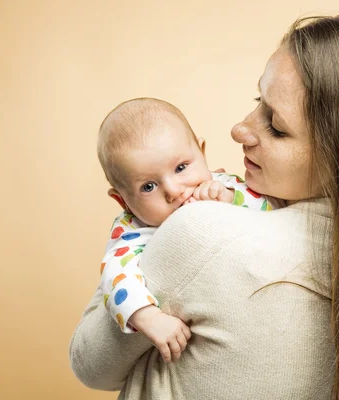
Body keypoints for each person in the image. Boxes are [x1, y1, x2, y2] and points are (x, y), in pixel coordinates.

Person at [70, 13, 339, 400]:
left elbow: (90, 364)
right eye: (259, 100)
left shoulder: (202, 232)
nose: (239, 129)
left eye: (275, 125)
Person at [96, 98, 282, 363]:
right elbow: (115, 275)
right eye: (148, 186)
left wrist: (230, 199)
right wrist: (148, 317)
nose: (173, 191)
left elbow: (271, 211)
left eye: (181, 168)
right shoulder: (134, 229)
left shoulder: (223, 185)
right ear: (122, 200)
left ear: (202, 152)